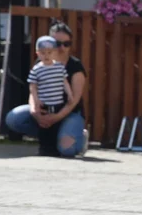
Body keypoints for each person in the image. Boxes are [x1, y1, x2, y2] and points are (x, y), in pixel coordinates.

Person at [5, 22, 88, 157]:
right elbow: (33, 89)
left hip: (68, 113)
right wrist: (34, 111)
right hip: (45, 109)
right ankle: (53, 136)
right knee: (14, 118)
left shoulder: (75, 66)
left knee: (67, 151)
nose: (61, 48)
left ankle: (79, 137)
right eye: (57, 43)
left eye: (66, 44)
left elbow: (74, 101)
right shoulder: (40, 63)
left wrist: (55, 118)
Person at [25, 36, 73, 155]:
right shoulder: (36, 69)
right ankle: (44, 148)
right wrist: (36, 100)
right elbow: (32, 86)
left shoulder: (59, 67)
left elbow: (65, 82)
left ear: (55, 53)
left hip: (58, 102)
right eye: (42, 53)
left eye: (49, 53)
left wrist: (70, 94)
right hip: (44, 102)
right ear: (37, 53)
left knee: (56, 126)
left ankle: (54, 149)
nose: (46, 56)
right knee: (43, 127)